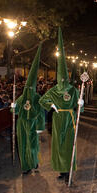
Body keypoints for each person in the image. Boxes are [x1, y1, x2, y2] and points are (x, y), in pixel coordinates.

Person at [39, 28, 83, 183]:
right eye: (61, 77)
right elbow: (42, 101)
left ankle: (69, 170)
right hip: (58, 119)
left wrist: (80, 103)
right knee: (58, 144)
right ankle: (62, 170)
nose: (63, 80)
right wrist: (52, 106)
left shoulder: (73, 89)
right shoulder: (53, 90)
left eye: (65, 77)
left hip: (70, 118)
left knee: (68, 144)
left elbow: (80, 108)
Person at [12, 45, 45, 175]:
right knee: (22, 145)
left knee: (32, 146)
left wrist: (40, 127)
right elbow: (14, 111)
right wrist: (13, 107)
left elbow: (41, 113)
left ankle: (33, 162)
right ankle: (25, 165)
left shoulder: (37, 97)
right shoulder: (22, 97)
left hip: (32, 123)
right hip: (21, 123)